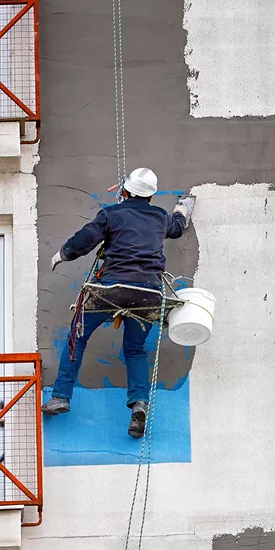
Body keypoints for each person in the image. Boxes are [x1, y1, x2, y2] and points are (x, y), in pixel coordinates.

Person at [44, 167, 194, 438]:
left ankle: (61, 396)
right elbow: (177, 227)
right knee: (135, 349)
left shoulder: (112, 214)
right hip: (148, 292)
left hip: (112, 289)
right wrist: (183, 208)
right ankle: (139, 403)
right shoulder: (160, 217)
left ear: (125, 192)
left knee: (78, 335)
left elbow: (85, 239)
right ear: (150, 197)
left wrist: (62, 255)